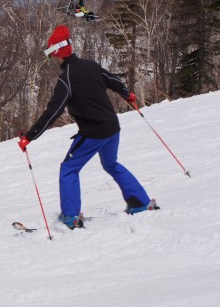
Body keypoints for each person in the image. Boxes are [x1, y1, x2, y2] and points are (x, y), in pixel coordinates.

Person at [17, 25, 158, 229]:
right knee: (111, 164)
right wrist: (128, 94)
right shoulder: (91, 65)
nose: (50, 59)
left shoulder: (66, 79)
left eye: (50, 54)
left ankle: (71, 217)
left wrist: (29, 137)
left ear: (57, 53)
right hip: (112, 128)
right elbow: (114, 81)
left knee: (68, 169)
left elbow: (53, 111)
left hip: (94, 132)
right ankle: (140, 203)